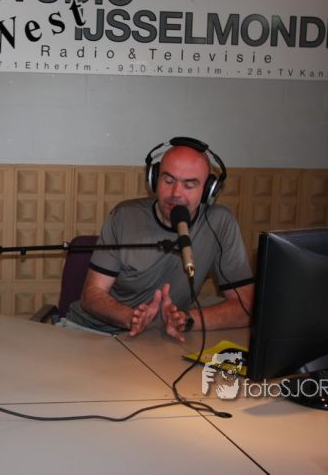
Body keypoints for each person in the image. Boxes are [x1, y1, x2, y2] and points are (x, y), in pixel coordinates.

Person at [65, 137, 254, 340]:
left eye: (189, 185)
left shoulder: (220, 223)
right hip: (94, 332)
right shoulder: (125, 216)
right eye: (168, 181)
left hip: (157, 339)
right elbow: (92, 295)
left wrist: (186, 320)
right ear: (154, 179)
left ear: (208, 191)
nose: (176, 193)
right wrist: (131, 318)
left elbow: (246, 307)